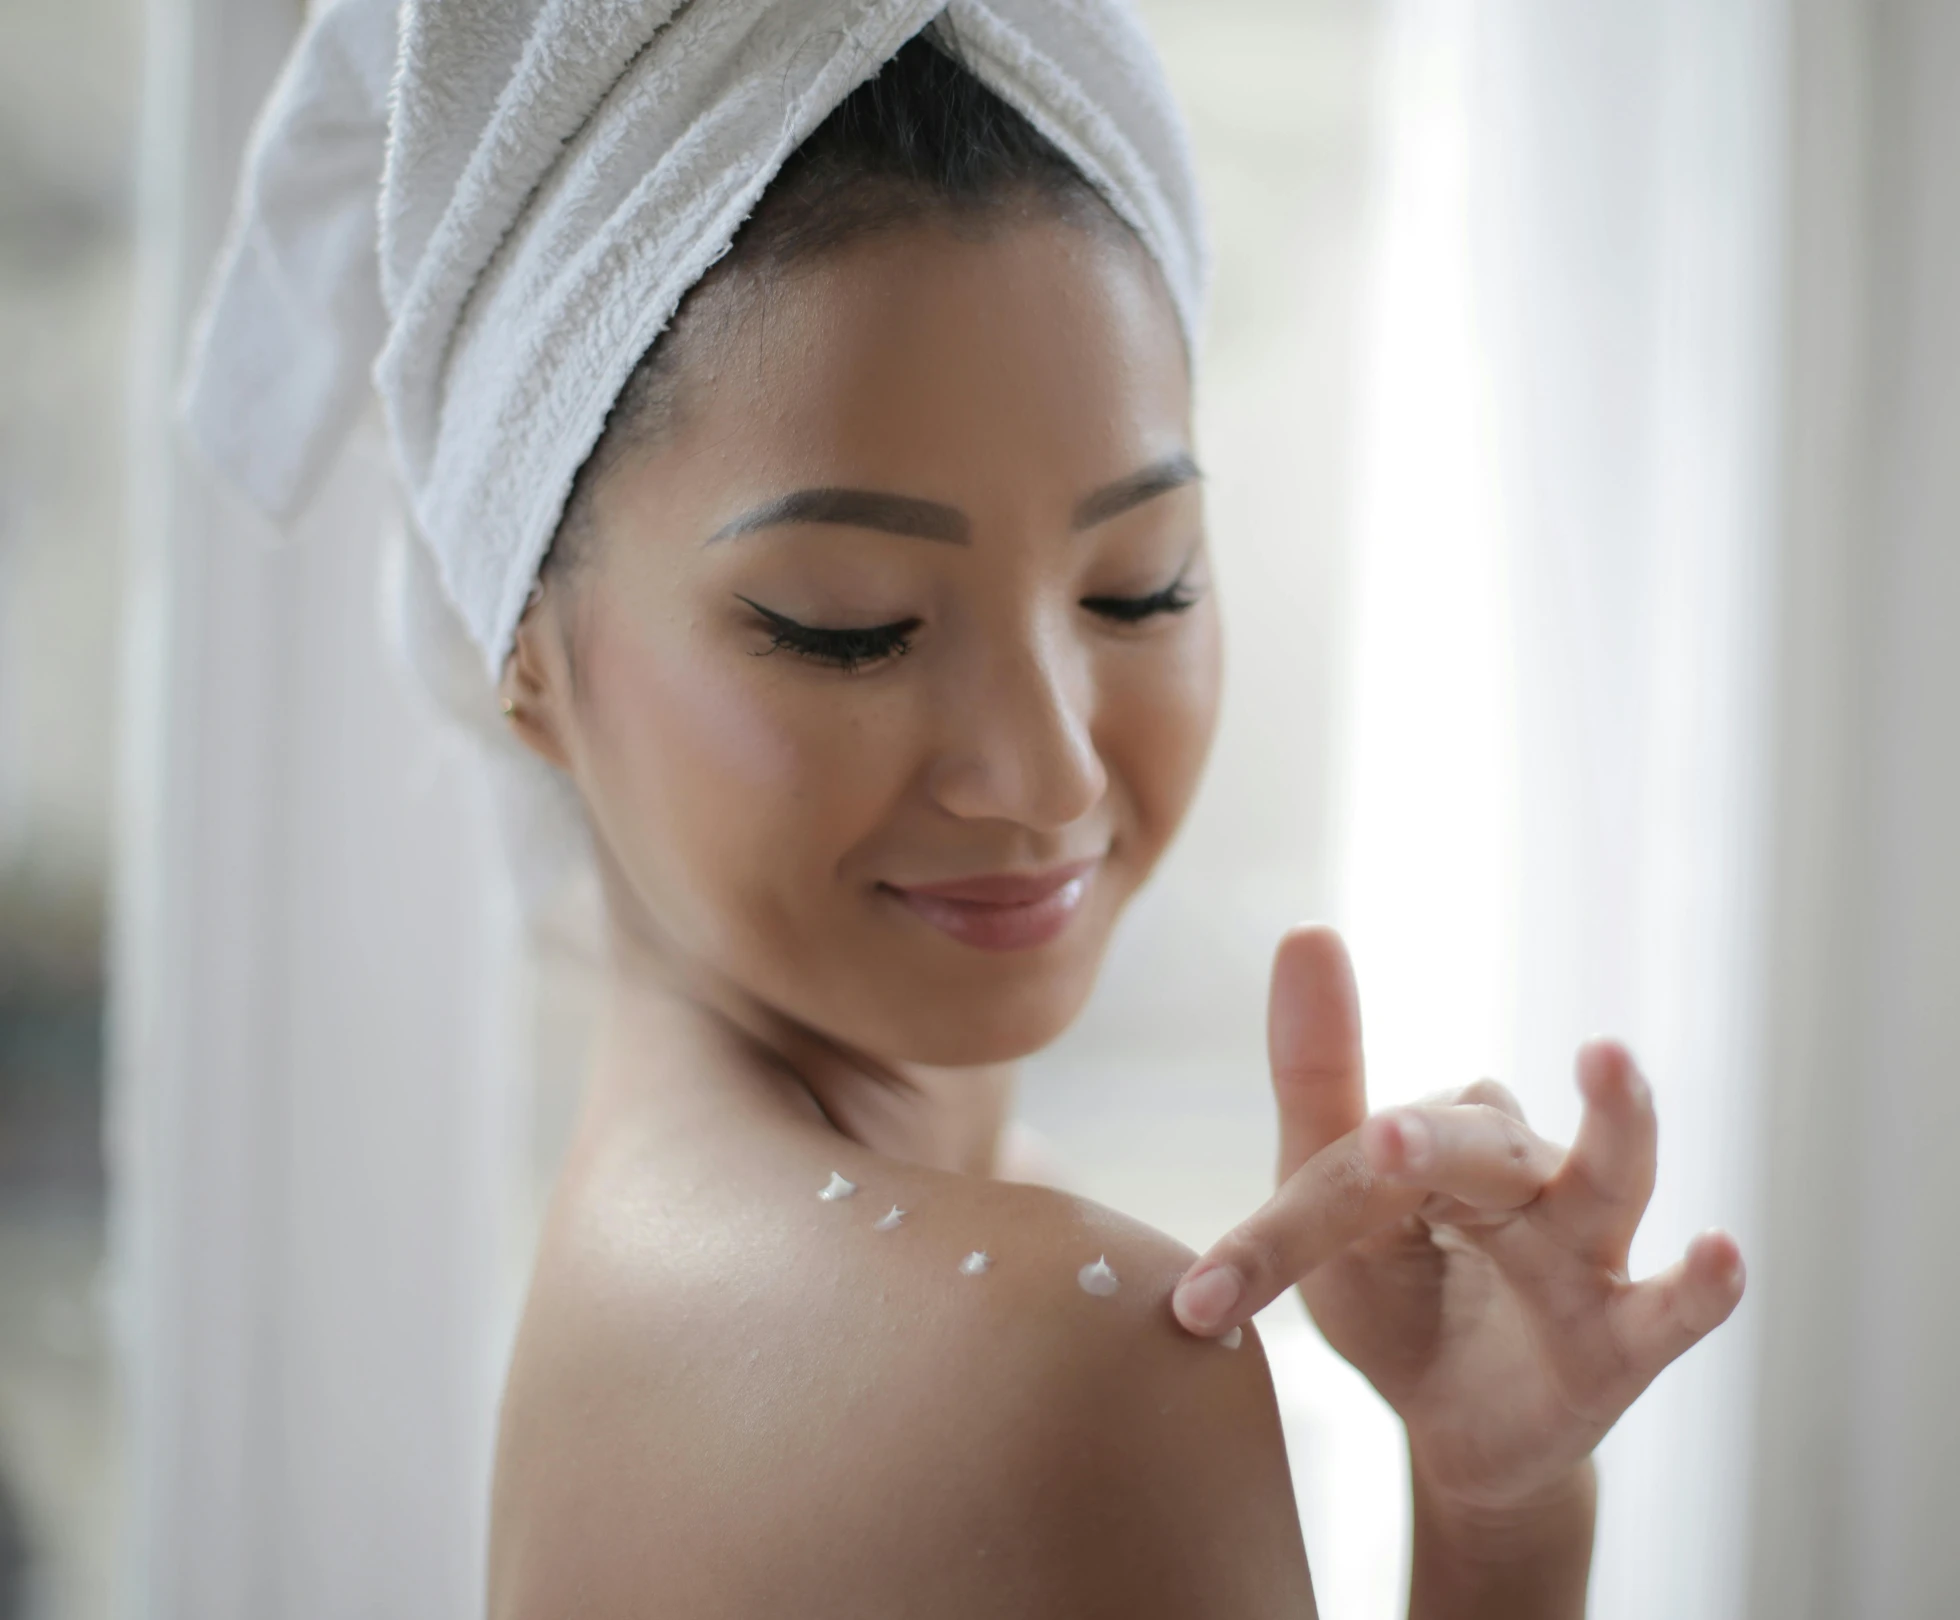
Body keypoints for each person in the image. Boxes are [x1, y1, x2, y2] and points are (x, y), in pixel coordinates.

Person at [184, 7, 1743, 1616]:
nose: (1053, 772)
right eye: (849, 624)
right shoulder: (1041, 1364)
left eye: (1141, 589)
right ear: (529, 661)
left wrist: (1500, 1510)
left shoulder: (657, 1269)